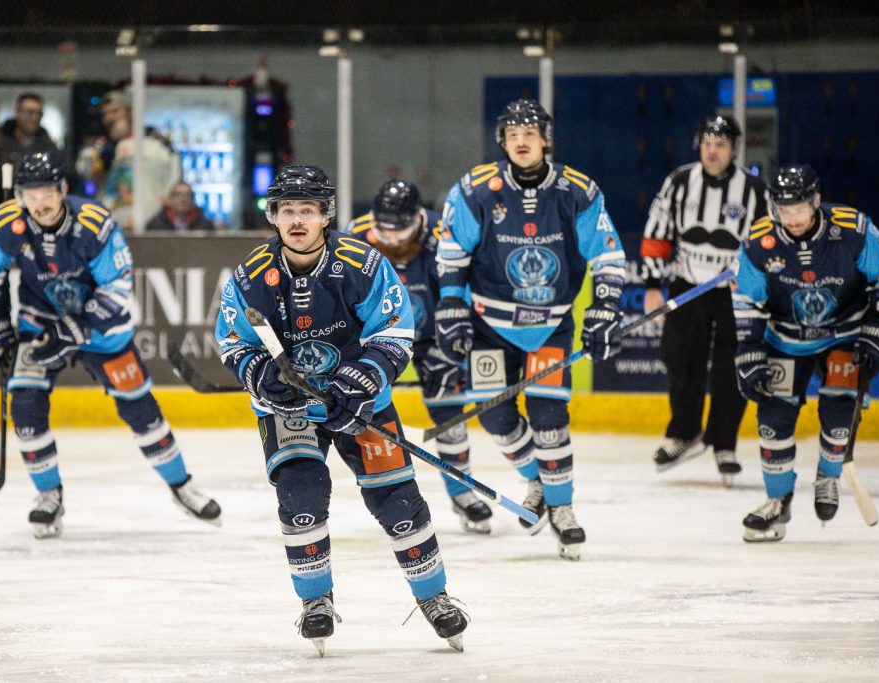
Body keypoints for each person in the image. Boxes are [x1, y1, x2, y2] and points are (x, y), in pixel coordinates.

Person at [215, 166, 468, 654]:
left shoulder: (362, 264)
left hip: (363, 405)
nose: (297, 221)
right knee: (301, 497)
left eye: (307, 210)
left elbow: (394, 331)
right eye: (287, 210)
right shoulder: (251, 276)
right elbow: (233, 339)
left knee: (397, 500)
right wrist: (260, 375)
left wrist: (361, 382)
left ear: (326, 215)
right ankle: (315, 602)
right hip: (291, 410)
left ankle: (434, 597)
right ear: (274, 216)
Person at [0, 150, 221, 539]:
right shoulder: (5, 224)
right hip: (39, 323)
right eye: (30, 195)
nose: (39, 203)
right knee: (25, 406)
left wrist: (70, 332)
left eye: (46, 193)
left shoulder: (94, 224)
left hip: (101, 330)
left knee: (141, 409)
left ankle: (181, 485)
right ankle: (48, 495)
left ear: (62, 190)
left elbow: (116, 289)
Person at [437, 99, 627, 560]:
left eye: (530, 133)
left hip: (551, 326)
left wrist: (605, 305)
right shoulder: (474, 190)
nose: (521, 141)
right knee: (495, 417)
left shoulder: (577, 191)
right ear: (502, 142)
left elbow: (607, 254)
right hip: (489, 325)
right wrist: (451, 304)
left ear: (546, 140)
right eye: (512, 134)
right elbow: (452, 253)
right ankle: (538, 481)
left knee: (549, 419)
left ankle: (562, 509)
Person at [732, 165, 879, 542]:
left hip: (844, 334)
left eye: (799, 209)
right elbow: (745, 299)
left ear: (816, 202)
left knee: (840, 413)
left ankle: (829, 474)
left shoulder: (853, 229)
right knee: (773, 418)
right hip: (785, 337)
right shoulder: (759, 242)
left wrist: (878, 330)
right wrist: (749, 349)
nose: (791, 219)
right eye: (783, 210)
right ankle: (778, 501)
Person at [343, 179, 493, 533]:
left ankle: (461, 491)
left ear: (419, 219)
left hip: (433, 335)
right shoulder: (355, 235)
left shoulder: (444, 235)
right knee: (368, 408)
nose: (394, 240)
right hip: (378, 339)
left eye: (402, 231)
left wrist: (451, 344)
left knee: (448, 408)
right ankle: (385, 490)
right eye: (385, 232)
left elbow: (461, 290)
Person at [641, 115, 769, 485]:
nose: (712, 151)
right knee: (679, 357)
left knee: (733, 366)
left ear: (735, 149)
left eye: (721, 144)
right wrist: (652, 285)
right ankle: (684, 432)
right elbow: (657, 232)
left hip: (736, 295)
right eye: (707, 143)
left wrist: (759, 286)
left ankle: (724, 443)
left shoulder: (755, 191)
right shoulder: (680, 182)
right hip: (688, 286)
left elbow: (768, 244)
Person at [75, 90, 180, 231]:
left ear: (130, 112)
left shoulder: (156, 143)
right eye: (104, 114)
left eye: (115, 111)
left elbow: (175, 176)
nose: (109, 118)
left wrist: (169, 196)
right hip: (111, 227)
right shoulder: (101, 149)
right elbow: (86, 176)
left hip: (150, 226)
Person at [0, 92, 59, 165]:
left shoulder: (48, 147)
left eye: (39, 114)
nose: (35, 118)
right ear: (17, 113)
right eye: (30, 112)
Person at [145, 181, 216, 232]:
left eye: (187, 195)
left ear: (193, 200)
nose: (183, 199)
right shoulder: (155, 226)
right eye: (178, 195)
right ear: (170, 199)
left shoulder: (205, 227)